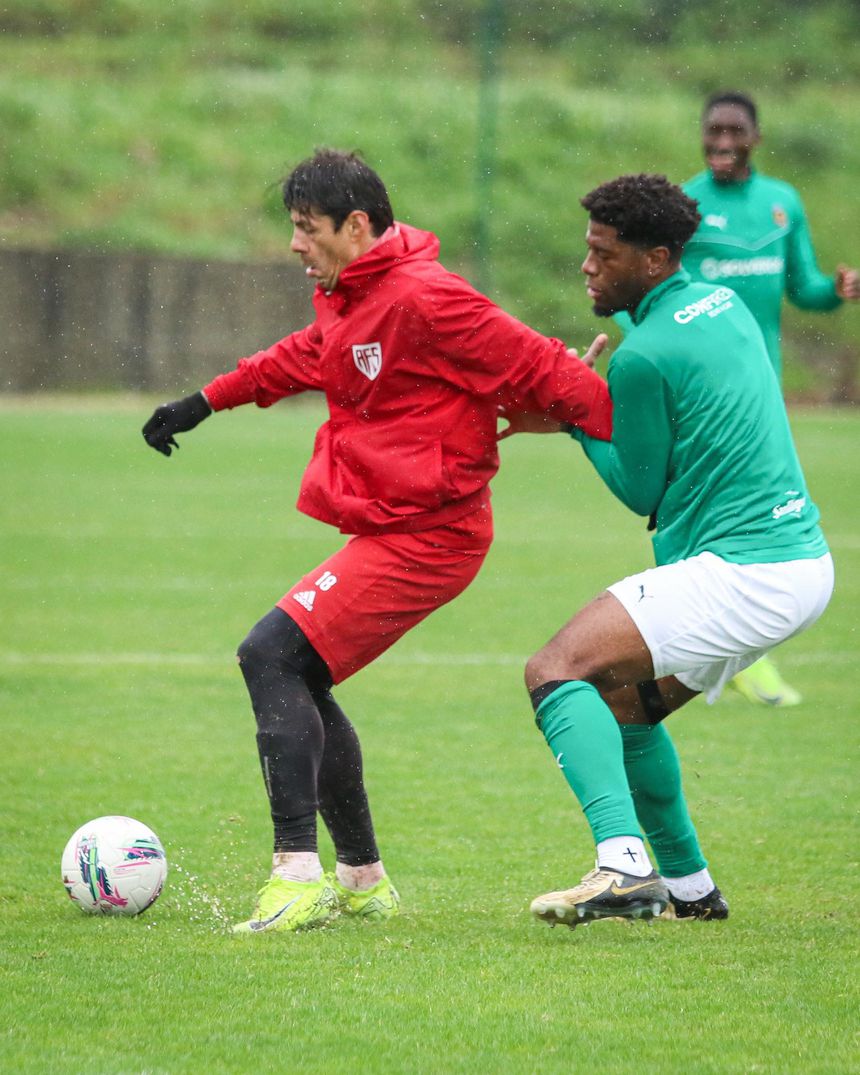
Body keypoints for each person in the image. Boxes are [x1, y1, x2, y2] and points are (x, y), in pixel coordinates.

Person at [141, 148, 612, 934]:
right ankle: (362, 880)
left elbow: (545, 372)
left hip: (432, 536)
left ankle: (296, 876)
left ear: (355, 226)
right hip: (394, 527)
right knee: (301, 674)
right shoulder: (347, 294)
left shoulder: (428, 298)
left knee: (270, 654)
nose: (295, 244)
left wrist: (627, 427)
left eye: (306, 228)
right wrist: (205, 400)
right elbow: (306, 356)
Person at [506, 174, 833, 928]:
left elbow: (638, 488)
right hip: (801, 561)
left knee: (554, 670)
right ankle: (692, 891)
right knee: (625, 709)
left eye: (603, 252)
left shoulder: (643, 354)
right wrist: (590, 407)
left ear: (654, 259)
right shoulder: (723, 306)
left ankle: (622, 866)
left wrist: (570, 412)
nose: (587, 266)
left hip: (749, 570)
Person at [682, 90, 857, 707]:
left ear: (756, 137)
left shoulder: (782, 204)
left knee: (757, 518)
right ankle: (726, 654)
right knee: (707, 517)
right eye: (714, 132)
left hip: (762, 388)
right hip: (701, 390)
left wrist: (835, 291)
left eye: (735, 132)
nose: (723, 143)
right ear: (702, 136)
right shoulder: (686, 204)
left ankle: (734, 653)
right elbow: (652, 291)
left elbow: (802, 288)